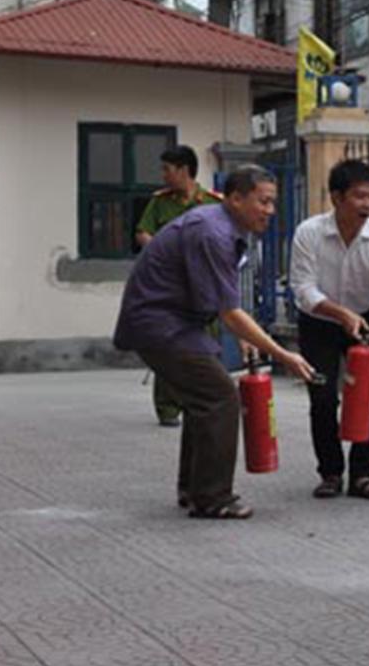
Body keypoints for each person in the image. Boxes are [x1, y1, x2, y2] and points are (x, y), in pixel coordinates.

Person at [114, 164, 314, 520]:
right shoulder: (212, 233)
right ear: (235, 199)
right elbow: (229, 311)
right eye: (263, 201)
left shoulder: (221, 227)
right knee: (219, 396)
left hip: (177, 322)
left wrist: (247, 337)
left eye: (273, 202)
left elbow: (222, 299)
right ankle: (212, 497)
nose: (270, 210)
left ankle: (194, 489)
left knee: (202, 399)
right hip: (161, 323)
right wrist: (284, 354)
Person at [289, 159, 369, 501]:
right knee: (323, 396)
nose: (367, 204)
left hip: (365, 321)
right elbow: (303, 289)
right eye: (359, 196)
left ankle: (363, 473)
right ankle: (331, 473)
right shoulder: (308, 233)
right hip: (319, 322)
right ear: (336, 198)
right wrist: (340, 314)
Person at [135, 145, 223, 428]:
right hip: (170, 286)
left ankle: (201, 400)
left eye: (167, 169)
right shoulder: (160, 203)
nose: (163, 175)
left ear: (184, 170)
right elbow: (143, 232)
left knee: (205, 342)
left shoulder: (212, 203)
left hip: (202, 285)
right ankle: (168, 407)